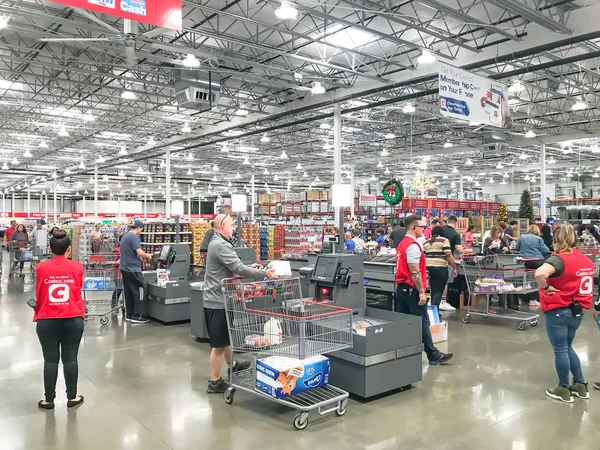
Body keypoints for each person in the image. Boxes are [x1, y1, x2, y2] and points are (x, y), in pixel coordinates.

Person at [203, 214, 277, 393]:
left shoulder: (218, 242)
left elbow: (233, 267)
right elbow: (238, 268)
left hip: (221, 299)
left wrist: (252, 268)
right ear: (221, 225)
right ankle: (215, 381)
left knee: (225, 338)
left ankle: (233, 364)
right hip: (217, 301)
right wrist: (264, 275)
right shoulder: (220, 244)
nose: (234, 227)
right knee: (219, 345)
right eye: (231, 224)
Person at [535, 224, 594, 403]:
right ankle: (580, 385)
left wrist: (546, 286)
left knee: (560, 349)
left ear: (557, 240)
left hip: (558, 309)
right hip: (577, 311)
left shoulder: (558, 259)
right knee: (567, 347)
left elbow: (539, 273)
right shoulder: (586, 261)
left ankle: (563, 388)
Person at [33, 229, 85, 410]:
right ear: (69, 249)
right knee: (70, 358)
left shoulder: (40, 268)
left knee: (50, 360)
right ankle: (72, 396)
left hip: (47, 319)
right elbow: (78, 288)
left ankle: (49, 400)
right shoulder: (78, 267)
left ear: (50, 248)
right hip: (73, 318)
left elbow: (39, 291)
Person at [395, 215, 453, 365]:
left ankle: (404, 353)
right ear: (413, 228)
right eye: (421, 226)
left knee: (404, 322)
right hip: (411, 289)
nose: (424, 229)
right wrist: (421, 291)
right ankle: (433, 355)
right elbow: (414, 271)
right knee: (422, 322)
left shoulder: (402, 244)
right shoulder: (413, 246)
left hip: (401, 289)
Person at [119, 220, 152, 324]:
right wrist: (147, 256)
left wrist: (139, 258)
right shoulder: (134, 237)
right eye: (141, 230)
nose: (140, 232)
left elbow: (130, 252)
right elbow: (139, 251)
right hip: (133, 269)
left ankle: (129, 315)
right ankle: (136, 315)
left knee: (128, 292)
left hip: (124, 268)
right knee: (137, 292)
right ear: (138, 228)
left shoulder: (125, 236)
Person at [423, 226, 457, 312]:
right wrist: (454, 267)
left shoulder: (426, 242)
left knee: (433, 290)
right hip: (440, 268)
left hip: (428, 268)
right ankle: (435, 313)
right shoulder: (444, 240)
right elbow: (448, 255)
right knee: (438, 291)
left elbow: (423, 256)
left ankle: (433, 311)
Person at [516, 224, 550, 307]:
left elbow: (517, 247)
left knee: (525, 279)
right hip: (537, 261)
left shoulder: (522, 237)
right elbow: (545, 250)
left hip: (524, 261)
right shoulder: (539, 239)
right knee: (535, 280)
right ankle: (533, 300)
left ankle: (521, 298)